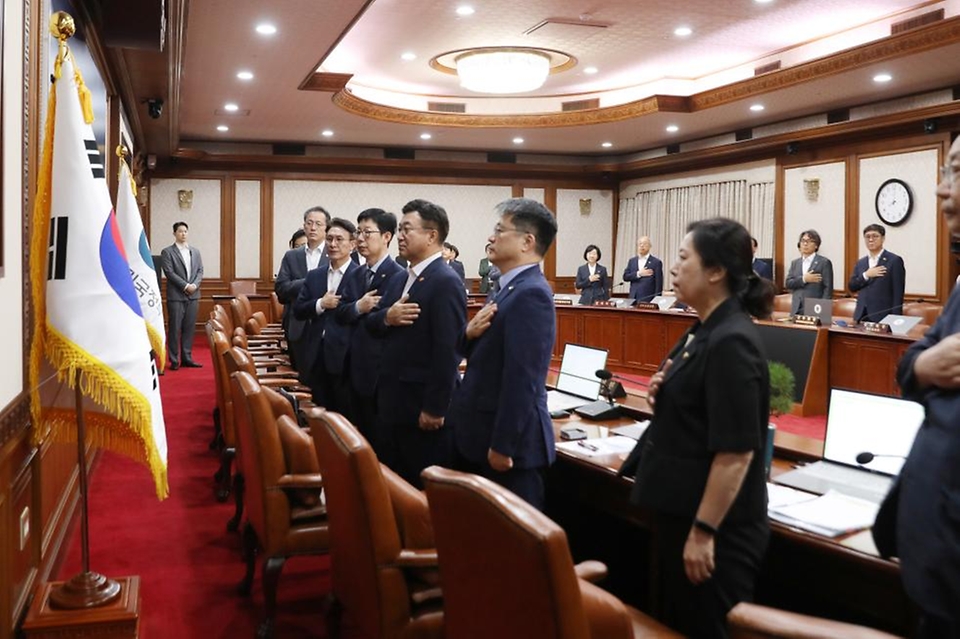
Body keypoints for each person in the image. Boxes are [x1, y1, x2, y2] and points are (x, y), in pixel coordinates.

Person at [620, 218, 775, 638]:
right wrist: (663, 393)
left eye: (684, 257)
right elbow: (697, 405)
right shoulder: (705, 328)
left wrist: (704, 532)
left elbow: (737, 452)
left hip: (717, 531)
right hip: (681, 511)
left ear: (716, 271)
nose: (673, 267)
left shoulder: (733, 340)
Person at [882, 140, 960, 639]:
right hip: (937, 561)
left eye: (955, 172)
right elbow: (909, 365)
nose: (940, 188)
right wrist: (929, 365)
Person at [447, 198, 558, 510]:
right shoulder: (506, 287)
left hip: (509, 450)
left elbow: (524, 379)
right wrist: (468, 333)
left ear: (527, 241)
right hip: (478, 434)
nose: (490, 238)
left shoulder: (532, 293)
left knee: (511, 548)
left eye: (499, 230)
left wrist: (503, 444)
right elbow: (473, 349)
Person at [365, 199, 467, 488]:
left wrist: (436, 407)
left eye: (407, 229)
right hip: (392, 401)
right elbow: (371, 324)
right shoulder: (402, 279)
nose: (399, 236)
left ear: (432, 235)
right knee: (395, 485)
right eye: (399, 229)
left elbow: (448, 350)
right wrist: (388, 316)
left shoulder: (445, 281)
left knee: (421, 491)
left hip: (421, 407)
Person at [334, 208, 404, 440]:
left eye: (367, 233)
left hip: (378, 369)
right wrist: (358, 307)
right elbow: (341, 313)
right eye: (358, 233)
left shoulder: (398, 275)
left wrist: (366, 313)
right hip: (351, 363)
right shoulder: (356, 273)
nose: (360, 239)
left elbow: (387, 321)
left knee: (377, 437)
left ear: (386, 237)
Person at [292, 218, 358, 408]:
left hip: (346, 357)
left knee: (343, 414)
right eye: (329, 239)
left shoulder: (360, 275)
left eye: (339, 239)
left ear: (352, 245)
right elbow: (299, 310)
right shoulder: (315, 275)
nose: (333, 244)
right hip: (315, 353)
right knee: (319, 411)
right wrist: (321, 303)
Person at [275, 206, 330, 377]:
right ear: (304, 226)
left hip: (326, 327)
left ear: (326, 228)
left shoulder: (335, 254)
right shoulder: (292, 256)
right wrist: (310, 280)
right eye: (309, 223)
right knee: (301, 376)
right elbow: (281, 290)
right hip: (298, 327)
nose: (313, 228)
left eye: (318, 224)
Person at [160, 221, 204, 369]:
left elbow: (200, 271)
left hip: (193, 295)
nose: (183, 234)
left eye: (185, 231)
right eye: (180, 231)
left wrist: (194, 286)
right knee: (174, 328)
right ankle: (174, 360)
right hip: (176, 296)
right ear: (174, 233)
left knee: (189, 328)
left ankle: (187, 357)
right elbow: (169, 272)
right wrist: (185, 286)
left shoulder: (195, 251)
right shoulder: (167, 252)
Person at [848, 224, 905, 323]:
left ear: (883, 238)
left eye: (875, 236)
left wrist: (896, 320)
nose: (871, 239)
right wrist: (866, 275)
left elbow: (898, 294)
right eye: (867, 237)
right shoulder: (861, 262)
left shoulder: (894, 261)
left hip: (883, 317)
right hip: (861, 315)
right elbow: (852, 286)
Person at [785, 229, 833, 315]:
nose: (805, 244)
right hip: (796, 307)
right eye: (803, 241)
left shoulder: (824, 262)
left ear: (816, 246)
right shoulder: (795, 263)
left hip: (815, 307)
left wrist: (823, 311)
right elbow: (788, 283)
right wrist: (804, 279)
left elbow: (828, 289)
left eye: (809, 241)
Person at [623, 236, 663, 303]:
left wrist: (656, 301)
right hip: (633, 298)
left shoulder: (656, 262)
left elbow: (659, 284)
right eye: (640, 244)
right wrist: (639, 274)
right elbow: (625, 277)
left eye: (644, 244)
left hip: (648, 299)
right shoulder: (632, 261)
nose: (642, 246)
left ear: (650, 246)